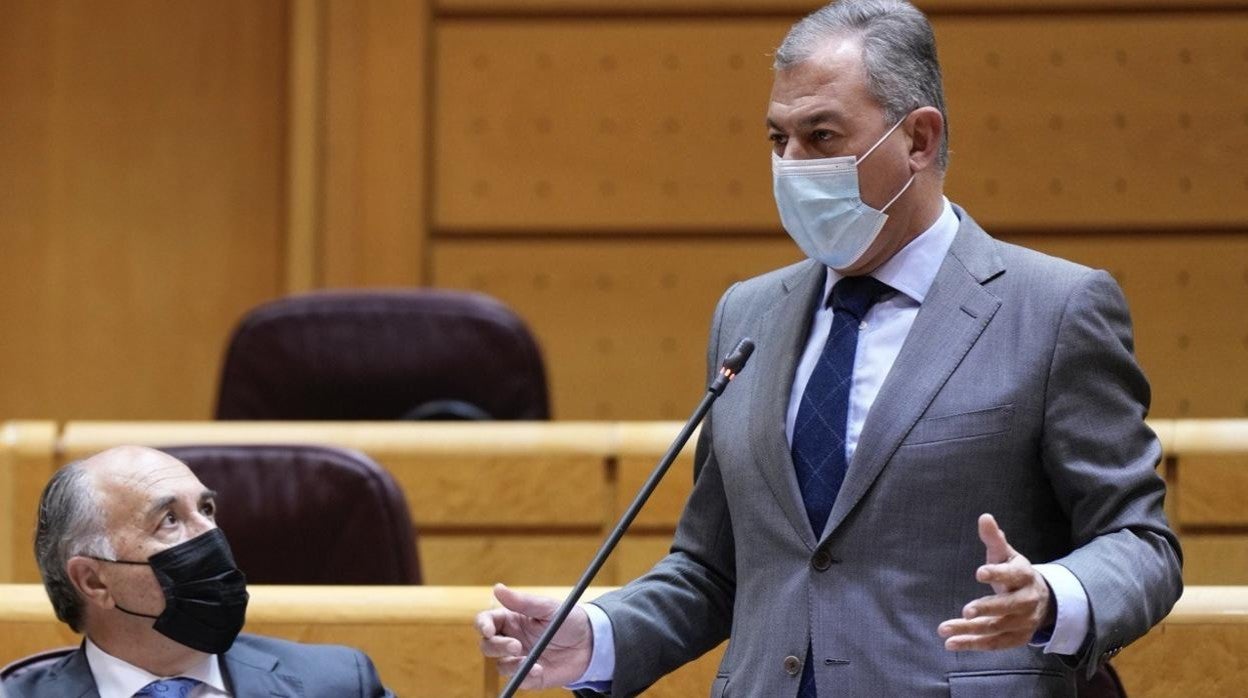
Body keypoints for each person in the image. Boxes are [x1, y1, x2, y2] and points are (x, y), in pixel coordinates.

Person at [476, 1, 1182, 695]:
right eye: (777, 138)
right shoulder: (748, 315)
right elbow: (717, 568)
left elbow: (1141, 544)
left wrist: (1054, 595)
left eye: (820, 136)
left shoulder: (1053, 309)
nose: (791, 163)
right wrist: (598, 636)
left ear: (919, 139)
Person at [3, 445, 395, 698]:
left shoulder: (339, 685)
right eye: (169, 520)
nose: (210, 534)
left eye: (206, 510)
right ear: (94, 581)